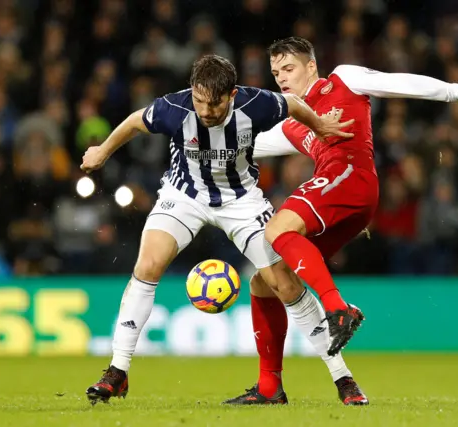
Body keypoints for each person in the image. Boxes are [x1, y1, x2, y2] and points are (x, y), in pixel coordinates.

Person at [225, 36, 458, 405]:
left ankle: (337, 307)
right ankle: (272, 387)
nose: (282, 78)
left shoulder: (343, 79)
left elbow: (397, 82)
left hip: (351, 178)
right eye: (275, 73)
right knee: (265, 281)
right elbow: (241, 146)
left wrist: (455, 91)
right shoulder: (295, 124)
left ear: (310, 66)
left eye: (289, 69)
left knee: (277, 228)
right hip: (347, 203)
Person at [80, 54, 355, 405]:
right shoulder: (174, 109)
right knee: (147, 265)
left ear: (232, 95)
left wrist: (319, 126)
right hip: (184, 195)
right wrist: (103, 151)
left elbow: (293, 104)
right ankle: (117, 373)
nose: (206, 111)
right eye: (199, 101)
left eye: (214, 104)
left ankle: (343, 378)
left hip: (242, 200)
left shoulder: (257, 104)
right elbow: (135, 122)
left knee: (284, 283)